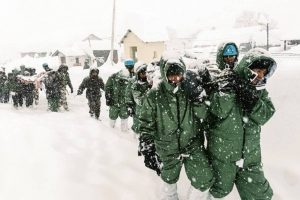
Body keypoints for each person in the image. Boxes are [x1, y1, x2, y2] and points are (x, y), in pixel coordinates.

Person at [137, 55, 214, 200]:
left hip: (192, 144)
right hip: (166, 147)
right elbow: (146, 121)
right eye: (171, 75)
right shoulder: (155, 94)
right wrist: (146, 144)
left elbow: (203, 114)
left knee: (204, 178)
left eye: (178, 75)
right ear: (165, 75)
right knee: (169, 180)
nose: (175, 79)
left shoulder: (189, 90)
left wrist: (198, 97)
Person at [206, 48, 276, 200]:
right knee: (220, 190)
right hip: (224, 155)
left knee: (259, 195)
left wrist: (252, 99)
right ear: (247, 68)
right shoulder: (226, 84)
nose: (260, 76)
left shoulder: (259, 90)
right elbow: (218, 111)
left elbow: (266, 114)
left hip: (250, 157)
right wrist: (229, 91)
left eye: (264, 72)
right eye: (257, 70)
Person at [105, 59, 135, 131]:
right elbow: (107, 87)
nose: (130, 68)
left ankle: (123, 133)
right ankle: (111, 132)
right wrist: (108, 97)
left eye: (131, 67)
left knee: (124, 118)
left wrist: (132, 102)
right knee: (112, 118)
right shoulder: (114, 77)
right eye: (128, 67)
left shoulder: (134, 77)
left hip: (125, 103)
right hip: (114, 102)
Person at [125, 62, 151, 133]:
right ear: (138, 74)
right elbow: (128, 94)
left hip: (150, 110)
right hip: (137, 108)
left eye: (145, 73)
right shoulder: (134, 83)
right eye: (142, 73)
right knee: (138, 125)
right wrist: (129, 105)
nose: (144, 75)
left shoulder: (150, 81)